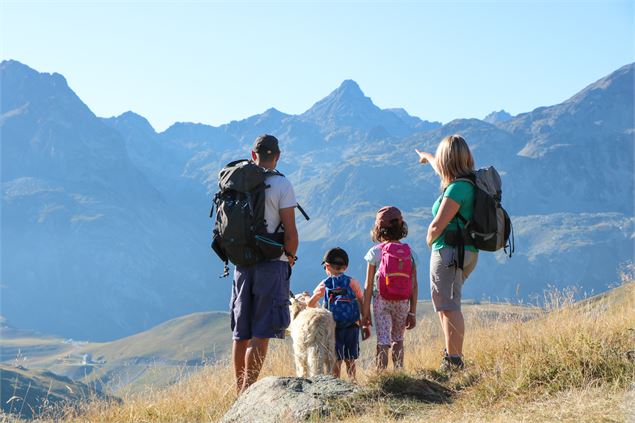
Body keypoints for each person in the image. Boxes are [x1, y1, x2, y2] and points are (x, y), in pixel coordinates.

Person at [230, 134, 299, 394]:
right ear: (278, 156)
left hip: (241, 263)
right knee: (261, 331)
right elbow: (291, 233)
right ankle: (250, 393)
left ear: (253, 154)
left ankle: (239, 393)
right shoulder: (282, 185)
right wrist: (289, 258)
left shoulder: (237, 182)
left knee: (241, 332)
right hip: (272, 263)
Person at [415, 134, 478, 371]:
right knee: (445, 304)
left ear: (447, 160)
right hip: (466, 251)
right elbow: (439, 168)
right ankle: (451, 356)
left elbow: (437, 224)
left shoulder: (456, 188)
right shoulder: (469, 183)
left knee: (450, 306)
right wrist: (427, 157)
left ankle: (454, 361)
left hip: (449, 251)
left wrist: (430, 240)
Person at [361, 206, 418, 371]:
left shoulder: (374, 253)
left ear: (379, 230)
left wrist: (365, 313)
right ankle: (399, 372)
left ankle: (381, 375)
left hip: (381, 301)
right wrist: (412, 312)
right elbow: (414, 285)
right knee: (398, 339)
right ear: (402, 228)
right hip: (402, 302)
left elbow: (367, 285)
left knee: (383, 340)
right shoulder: (410, 253)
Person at [307, 247, 370, 380]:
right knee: (350, 358)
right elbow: (361, 300)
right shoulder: (352, 282)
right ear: (345, 267)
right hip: (352, 325)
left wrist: (315, 304)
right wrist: (364, 319)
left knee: (336, 358)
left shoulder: (325, 284)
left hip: (333, 326)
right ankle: (352, 382)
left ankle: (336, 384)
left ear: (327, 266)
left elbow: (310, 304)